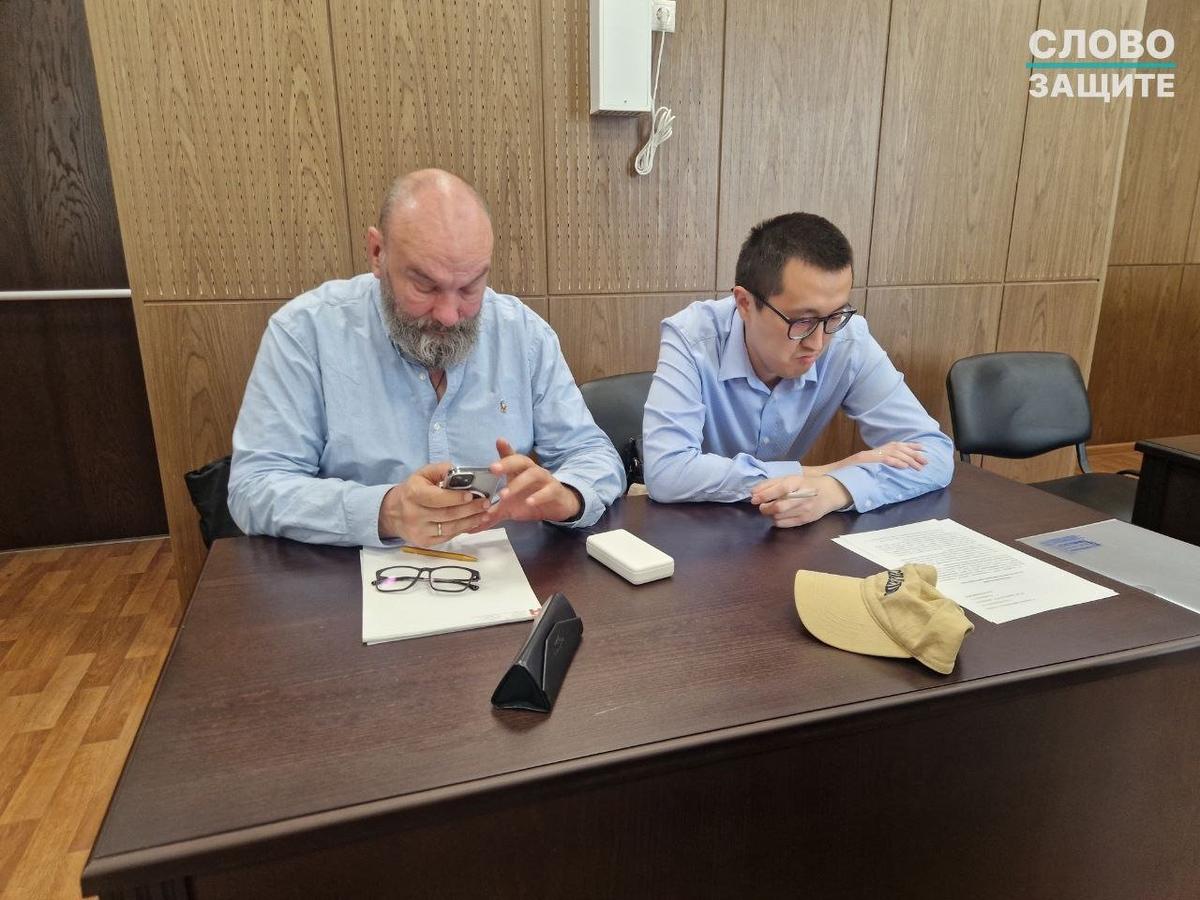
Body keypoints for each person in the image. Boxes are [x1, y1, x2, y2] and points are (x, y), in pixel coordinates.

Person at [228, 169, 624, 547]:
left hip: (502, 568)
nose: (449, 315)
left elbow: (592, 453)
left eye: (470, 287)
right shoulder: (305, 333)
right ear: (377, 253)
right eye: (425, 286)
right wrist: (386, 511)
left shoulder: (523, 334)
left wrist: (567, 496)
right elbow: (254, 488)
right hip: (350, 576)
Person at [642, 211, 953, 527]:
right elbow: (667, 472)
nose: (817, 343)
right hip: (695, 531)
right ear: (745, 304)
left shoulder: (849, 340)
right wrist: (821, 472)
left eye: (835, 316)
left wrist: (837, 489)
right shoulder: (693, 337)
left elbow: (934, 453)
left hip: (787, 532)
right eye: (802, 321)